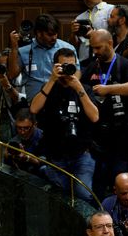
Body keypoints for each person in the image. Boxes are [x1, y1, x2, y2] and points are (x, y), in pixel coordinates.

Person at [29, 47, 99, 204]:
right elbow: (34, 108)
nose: (68, 70)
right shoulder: (50, 88)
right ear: (55, 66)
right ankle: (45, 170)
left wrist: (79, 87)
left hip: (81, 154)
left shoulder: (83, 88)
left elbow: (95, 117)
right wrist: (52, 79)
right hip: (56, 156)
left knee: (83, 194)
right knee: (62, 196)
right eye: (64, 65)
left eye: (71, 65)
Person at [81, 30, 128, 197]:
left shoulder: (124, 64)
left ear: (110, 43)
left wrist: (108, 89)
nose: (95, 52)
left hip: (121, 137)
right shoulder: (93, 65)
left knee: (120, 182)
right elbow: (82, 88)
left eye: (98, 47)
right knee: (98, 185)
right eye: (93, 48)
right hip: (98, 138)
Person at [8, 13, 77, 103]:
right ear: (39, 33)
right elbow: (12, 75)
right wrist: (14, 48)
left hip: (60, 102)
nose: (54, 38)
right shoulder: (25, 50)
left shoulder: (68, 48)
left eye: (55, 34)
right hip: (34, 104)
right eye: (50, 34)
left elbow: (77, 73)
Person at [72, 0, 115, 64]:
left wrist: (93, 34)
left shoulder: (111, 11)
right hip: (84, 63)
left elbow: (117, 37)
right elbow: (74, 45)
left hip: (105, 60)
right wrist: (73, 34)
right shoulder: (79, 18)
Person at [3, 107, 42, 174]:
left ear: (35, 125)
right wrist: (9, 156)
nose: (22, 132)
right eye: (19, 128)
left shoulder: (43, 139)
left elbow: (48, 164)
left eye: (26, 128)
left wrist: (27, 158)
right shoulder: (15, 140)